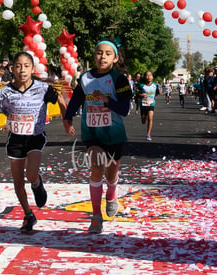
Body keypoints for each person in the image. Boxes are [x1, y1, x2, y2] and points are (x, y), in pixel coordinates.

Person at [0, 52, 67, 232]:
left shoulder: (42, 88)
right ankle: (28, 215)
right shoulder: (6, 91)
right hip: (16, 140)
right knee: (18, 181)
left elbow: (59, 99)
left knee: (31, 174)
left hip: (35, 137)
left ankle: (37, 183)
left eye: (26, 66)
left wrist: (67, 120)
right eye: (18, 66)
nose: (22, 70)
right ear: (12, 69)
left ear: (32, 68)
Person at [63, 39, 132, 233]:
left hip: (114, 134)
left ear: (115, 58)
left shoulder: (119, 79)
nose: (103, 57)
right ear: (94, 56)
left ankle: (111, 194)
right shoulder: (84, 78)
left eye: (108, 54)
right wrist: (68, 117)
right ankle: (96, 216)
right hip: (92, 133)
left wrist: (107, 101)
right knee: (96, 169)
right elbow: (77, 98)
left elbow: (125, 109)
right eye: (99, 53)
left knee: (111, 174)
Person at [137, 71, 158, 141]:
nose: (148, 77)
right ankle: (143, 116)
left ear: (152, 77)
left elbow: (158, 92)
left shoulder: (155, 85)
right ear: (145, 77)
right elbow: (136, 93)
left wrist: (160, 90)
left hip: (151, 103)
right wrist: (141, 95)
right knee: (143, 121)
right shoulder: (141, 85)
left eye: (150, 75)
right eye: (147, 75)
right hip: (143, 104)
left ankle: (148, 134)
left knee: (150, 118)